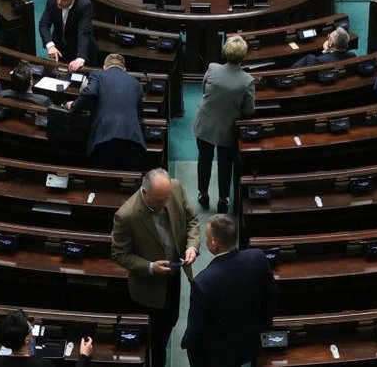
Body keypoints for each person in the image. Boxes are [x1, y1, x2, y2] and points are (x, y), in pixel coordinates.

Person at [110, 168, 200, 367]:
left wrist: (192, 245)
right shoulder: (127, 216)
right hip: (148, 288)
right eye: (159, 200)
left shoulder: (175, 187)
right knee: (156, 341)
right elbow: (119, 254)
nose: (165, 203)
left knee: (171, 321)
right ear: (144, 192)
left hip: (174, 275)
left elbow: (191, 220)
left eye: (167, 197)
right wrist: (150, 267)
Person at [182, 213, 277, 367]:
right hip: (252, 343)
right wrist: (261, 327)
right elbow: (271, 298)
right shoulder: (258, 258)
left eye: (207, 238)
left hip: (220, 355)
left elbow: (196, 333)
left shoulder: (202, 282)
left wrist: (187, 344)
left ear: (213, 244)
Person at [194, 37, 256, 212]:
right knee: (225, 163)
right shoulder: (247, 81)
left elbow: (203, 89)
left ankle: (203, 194)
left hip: (205, 123)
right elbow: (249, 110)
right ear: (243, 55)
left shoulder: (212, 68)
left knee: (204, 158)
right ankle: (223, 199)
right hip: (227, 130)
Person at [76, 54, 147, 170]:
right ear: (124, 69)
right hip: (133, 140)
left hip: (103, 139)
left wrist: (74, 106)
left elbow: (89, 93)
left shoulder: (97, 75)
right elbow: (139, 111)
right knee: (126, 181)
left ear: (104, 67)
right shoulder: (136, 83)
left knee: (102, 180)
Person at [0, 309, 93, 367]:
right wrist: (84, 356)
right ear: (26, 339)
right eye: (31, 329)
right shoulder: (43, 364)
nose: (32, 329)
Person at [40, 0, 95, 69]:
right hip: (59, 44)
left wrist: (80, 59)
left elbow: (83, 33)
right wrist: (50, 46)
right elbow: (44, 24)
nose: (59, 2)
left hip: (77, 46)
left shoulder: (84, 5)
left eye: (64, 0)